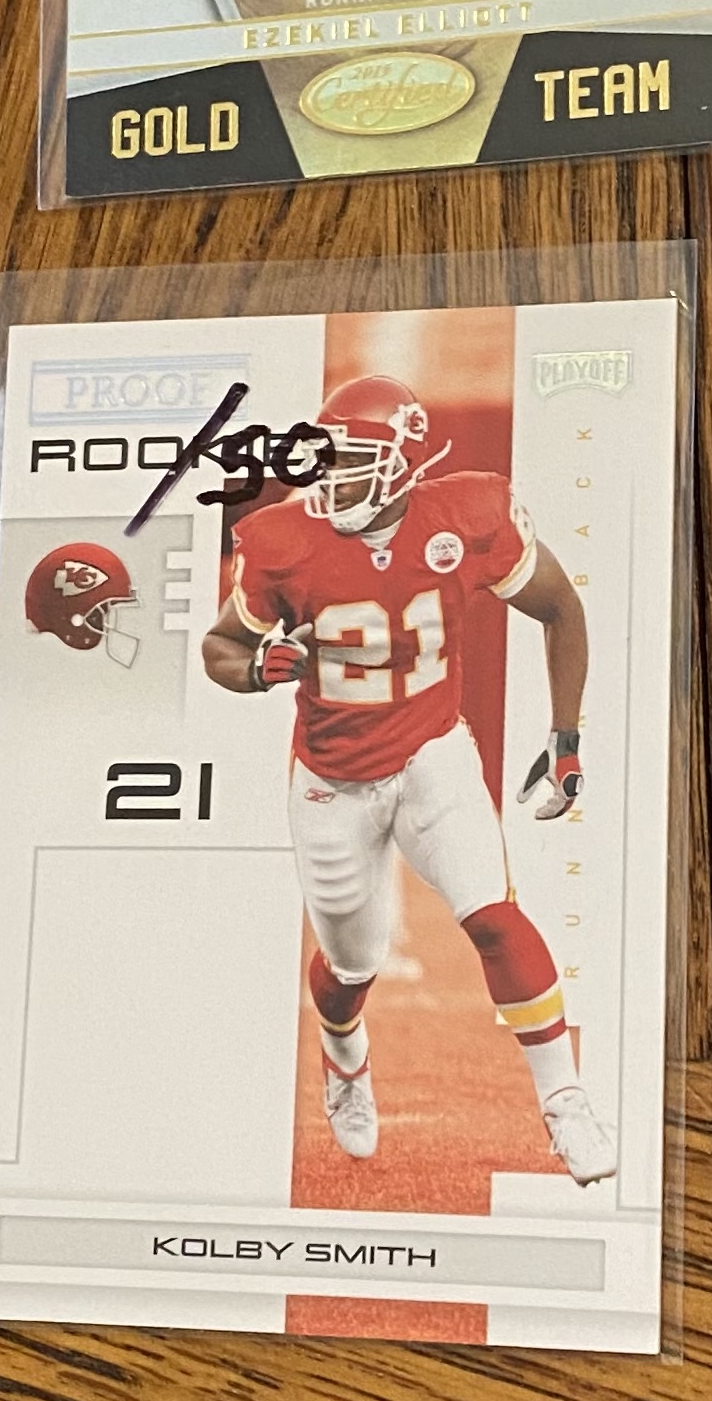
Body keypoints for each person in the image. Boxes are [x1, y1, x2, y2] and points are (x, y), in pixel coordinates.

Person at [198, 372, 617, 1182]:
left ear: (400, 467)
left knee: (494, 916)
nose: (331, 476)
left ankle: (564, 1100)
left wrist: (564, 737)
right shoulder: (283, 538)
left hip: (431, 752)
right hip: (331, 777)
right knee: (349, 968)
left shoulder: (465, 515)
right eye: (326, 458)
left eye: (351, 461)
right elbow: (220, 646)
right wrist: (255, 667)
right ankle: (343, 1051)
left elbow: (560, 606)